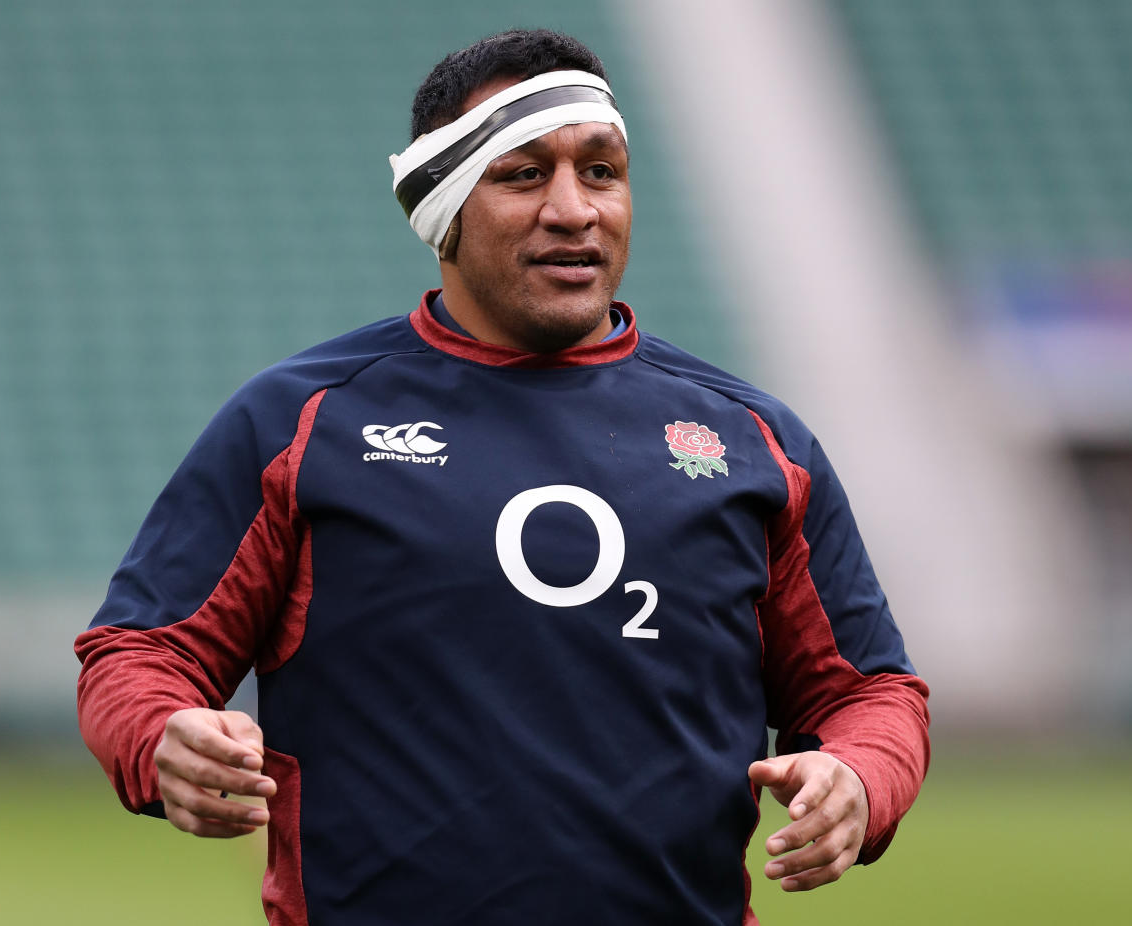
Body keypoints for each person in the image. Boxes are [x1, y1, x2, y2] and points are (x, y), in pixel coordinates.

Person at [75, 28, 929, 925]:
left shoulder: (754, 440)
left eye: (601, 172)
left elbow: (868, 692)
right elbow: (140, 652)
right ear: (442, 209)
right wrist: (162, 738)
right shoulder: (301, 422)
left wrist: (859, 778)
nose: (574, 209)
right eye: (524, 175)